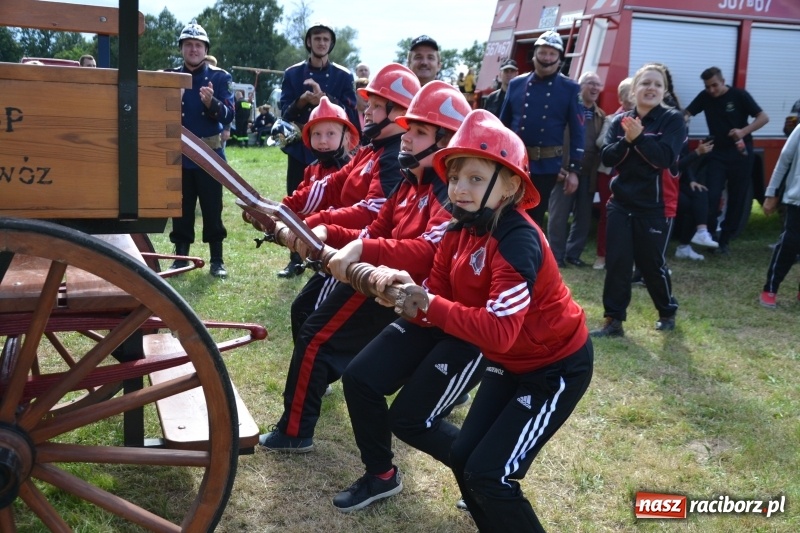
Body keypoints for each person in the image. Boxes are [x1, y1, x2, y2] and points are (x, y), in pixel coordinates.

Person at [346, 110, 592, 531]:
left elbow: (497, 329)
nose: (459, 188)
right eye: (456, 177)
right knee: (464, 459)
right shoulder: (458, 232)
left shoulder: (519, 240)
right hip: (507, 361)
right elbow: (437, 302)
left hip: (554, 367)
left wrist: (426, 303)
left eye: (476, 179)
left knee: (490, 475)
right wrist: (403, 295)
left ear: (511, 186)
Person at [257, 64, 422, 453]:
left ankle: (296, 430)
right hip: (358, 251)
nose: (366, 112)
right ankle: (316, 382)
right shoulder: (373, 150)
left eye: (377, 106)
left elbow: (375, 213)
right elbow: (330, 187)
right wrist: (284, 213)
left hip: (378, 269)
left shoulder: (393, 160)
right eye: (368, 105)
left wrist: (319, 227)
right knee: (305, 314)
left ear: (399, 114)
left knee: (316, 337)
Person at [327, 81, 474, 512]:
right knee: (359, 378)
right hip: (421, 312)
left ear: (447, 143)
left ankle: (483, 475)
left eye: (421, 132)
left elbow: (427, 249)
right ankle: (381, 475)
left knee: (413, 420)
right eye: (408, 128)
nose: (406, 136)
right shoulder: (412, 180)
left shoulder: (456, 194)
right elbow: (377, 229)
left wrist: (364, 250)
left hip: (463, 325)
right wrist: (345, 240)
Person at [590, 63, 685, 338]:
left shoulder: (672, 120)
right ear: (634, 90)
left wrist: (638, 138)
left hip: (655, 206)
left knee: (650, 265)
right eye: (645, 83)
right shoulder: (620, 120)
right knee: (617, 262)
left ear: (664, 91)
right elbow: (607, 157)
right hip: (621, 204)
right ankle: (613, 320)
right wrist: (628, 140)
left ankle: (667, 310)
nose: (651, 88)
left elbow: (664, 158)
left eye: (657, 84)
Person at [278, 21, 360, 278]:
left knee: (338, 204)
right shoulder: (292, 74)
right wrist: (303, 100)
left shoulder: (343, 76)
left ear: (331, 43)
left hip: (336, 153)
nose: (321, 43)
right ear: (309, 42)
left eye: (326, 39)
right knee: (298, 200)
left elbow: (351, 112)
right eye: (316, 38)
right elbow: (284, 113)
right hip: (302, 150)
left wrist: (323, 98)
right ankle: (295, 257)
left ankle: (333, 254)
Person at [163, 20, 234, 278]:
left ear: (205, 49)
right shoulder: (168, 76)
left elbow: (228, 116)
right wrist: (174, 98)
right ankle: (180, 257)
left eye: (198, 45)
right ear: (182, 48)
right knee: (180, 207)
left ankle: (217, 259)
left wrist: (211, 103)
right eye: (189, 45)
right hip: (179, 154)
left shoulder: (219, 76)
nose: (193, 49)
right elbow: (154, 112)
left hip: (209, 155)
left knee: (212, 207)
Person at [500, 30, 585, 228]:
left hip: (546, 166)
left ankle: (531, 256)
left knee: (534, 218)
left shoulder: (570, 88)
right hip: (514, 163)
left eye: (552, 54)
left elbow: (578, 131)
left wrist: (574, 170)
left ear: (559, 58)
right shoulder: (516, 84)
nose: (547, 58)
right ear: (534, 54)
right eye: (543, 52)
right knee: (505, 211)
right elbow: (502, 125)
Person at [684, 67, 769, 255]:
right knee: (712, 195)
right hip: (717, 153)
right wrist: (680, 120)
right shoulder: (704, 97)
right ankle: (711, 236)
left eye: (714, 85)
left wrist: (743, 131)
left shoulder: (739, 96)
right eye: (708, 87)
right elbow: (688, 112)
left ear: (723, 82)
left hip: (740, 153)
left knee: (737, 197)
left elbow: (763, 117)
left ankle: (725, 241)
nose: (712, 90)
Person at [548, 71, 606, 267]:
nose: (595, 88)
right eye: (590, 83)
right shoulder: (568, 109)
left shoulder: (601, 115)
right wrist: (557, 166)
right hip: (564, 170)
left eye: (598, 84)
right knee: (559, 215)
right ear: (580, 87)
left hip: (588, 173)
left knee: (584, 215)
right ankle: (556, 256)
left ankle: (574, 254)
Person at [593, 77, 633, 270]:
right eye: (629, 95)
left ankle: (627, 259)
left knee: (632, 217)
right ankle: (602, 256)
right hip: (610, 173)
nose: (633, 99)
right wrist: (623, 139)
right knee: (607, 215)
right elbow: (601, 142)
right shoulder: (611, 119)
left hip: (633, 173)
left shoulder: (644, 121)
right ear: (621, 99)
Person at [759, 123, 800, 308]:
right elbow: (784, 159)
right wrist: (771, 193)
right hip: (797, 200)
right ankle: (770, 289)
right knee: (790, 243)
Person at [675, 138, 716, 261]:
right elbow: (672, 167)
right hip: (662, 185)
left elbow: (684, 162)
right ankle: (686, 244)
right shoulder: (668, 133)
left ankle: (701, 232)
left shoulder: (681, 133)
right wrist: (697, 153)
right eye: (685, 117)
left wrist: (692, 180)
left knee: (699, 191)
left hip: (676, 183)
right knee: (692, 206)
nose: (687, 118)